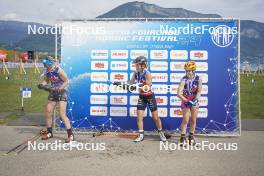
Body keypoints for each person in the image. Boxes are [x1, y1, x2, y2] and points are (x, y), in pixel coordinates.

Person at [114, 56, 166, 142]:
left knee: (156, 117)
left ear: (143, 65)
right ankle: (141, 135)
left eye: (137, 65)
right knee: (139, 117)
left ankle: (161, 133)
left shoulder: (147, 74)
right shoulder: (135, 73)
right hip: (142, 97)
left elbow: (147, 87)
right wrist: (120, 84)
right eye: (135, 65)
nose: (136, 67)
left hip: (150, 97)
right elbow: (130, 83)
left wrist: (134, 88)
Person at [38, 56, 74, 143]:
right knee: (48, 112)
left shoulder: (58, 70)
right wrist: (42, 85)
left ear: (49, 64)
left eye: (45, 64)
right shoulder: (47, 71)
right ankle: (50, 133)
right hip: (53, 91)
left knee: (62, 114)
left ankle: (70, 135)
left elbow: (66, 81)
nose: (44, 65)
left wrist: (60, 88)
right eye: (44, 64)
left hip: (62, 92)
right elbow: (46, 81)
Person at [177, 61, 202, 145]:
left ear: (193, 70)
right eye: (186, 70)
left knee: (193, 120)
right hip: (186, 101)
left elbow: (199, 91)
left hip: (194, 100)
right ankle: (182, 137)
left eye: (189, 70)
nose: (188, 72)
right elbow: (179, 93)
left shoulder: (199, 79)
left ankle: (191, 136)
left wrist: (196, 100)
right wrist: (186, 100)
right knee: (185, 120)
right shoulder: (183, 79)